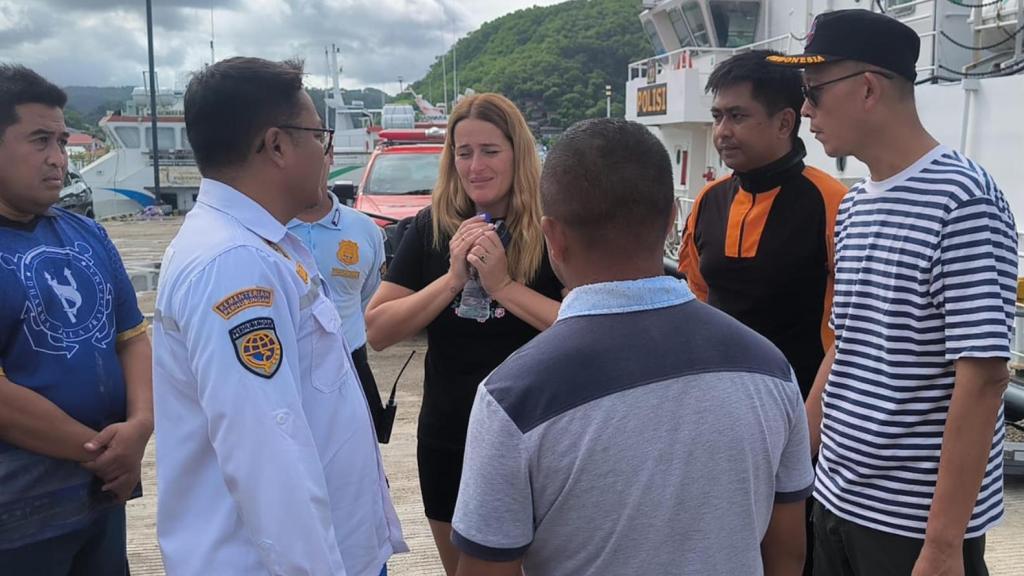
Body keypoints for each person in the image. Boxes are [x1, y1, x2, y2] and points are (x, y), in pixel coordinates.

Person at [451, 118, 813, 576]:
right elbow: (788, 554)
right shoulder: (769, 367)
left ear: (553, 237)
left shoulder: (513, 396)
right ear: (672, 219)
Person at [769, 10, 1016, 575]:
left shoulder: (964, 201)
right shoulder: (855, 205)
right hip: (836, 498)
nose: (805, 110)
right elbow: (846, 344)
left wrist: (944, 544)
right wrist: (791, 462)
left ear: (868, 89)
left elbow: (983, 376)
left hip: (912, 527)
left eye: (813, 91)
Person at [152, 57, 406, 575]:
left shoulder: (264, 244)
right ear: (277, 145)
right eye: (318, 136)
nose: (326, 152)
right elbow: (269, 452)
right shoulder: (234, 264)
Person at [365, 93, 562, 575]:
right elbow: (379, 329)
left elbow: (584, 324)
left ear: (518, 153)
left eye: (490, 151)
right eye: (464, 152)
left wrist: (504, 287)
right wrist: (452, 279)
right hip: (451, 434)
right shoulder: (431, 228)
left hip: (538, 434)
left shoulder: (552, 228)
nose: (475, 166)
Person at [0, 64, 152, 574]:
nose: (58, 159)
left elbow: (132, 337)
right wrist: (101, 451)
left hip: (100, 498)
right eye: (39, 140)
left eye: (62, 142)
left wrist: (141, 427)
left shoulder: (88, 235)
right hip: (17, 516)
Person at [678, 49, 846, 401]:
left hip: (800, 405)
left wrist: (810, 424)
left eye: (737, 116)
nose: (722, 132)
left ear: (784, 123)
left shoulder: (833, 203)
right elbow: (698, 296)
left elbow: (846, 330)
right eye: (717, 117)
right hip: (718, 398)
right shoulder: (709, 200)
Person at [290, 163, 389, 441]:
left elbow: (369, 297)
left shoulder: (365, 229)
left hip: (351, 366)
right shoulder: (266, 228)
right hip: (288, 371)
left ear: (330, 154)